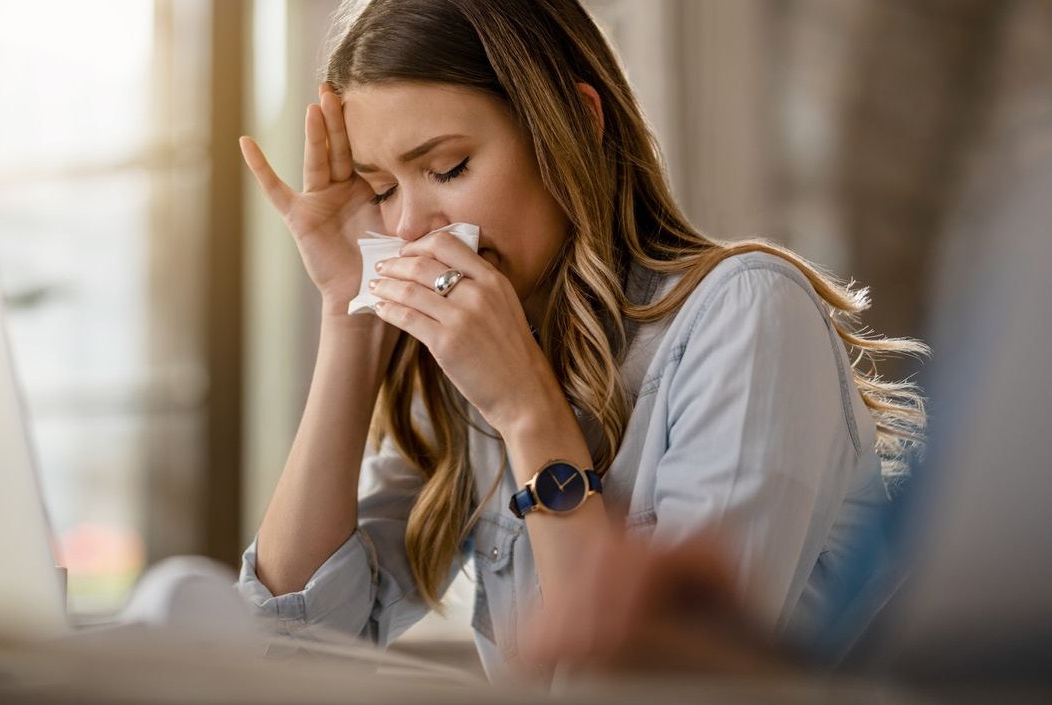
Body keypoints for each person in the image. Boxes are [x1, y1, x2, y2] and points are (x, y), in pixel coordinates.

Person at [235, 0, 925, 682]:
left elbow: (648, 690)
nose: (410, 227)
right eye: (383, 188)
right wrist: (349, 316)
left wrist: (528, 412)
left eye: (447, 169)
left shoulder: (746, 314)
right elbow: (286, 650)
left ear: (575, 126)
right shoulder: (466, 365)